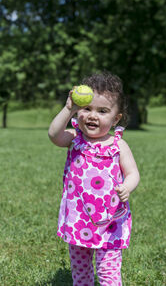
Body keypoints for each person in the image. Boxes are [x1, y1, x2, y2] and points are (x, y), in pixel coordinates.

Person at [48, 72, 140, 285]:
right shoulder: (74, 138)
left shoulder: (118, 145)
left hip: (110, 221)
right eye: (86, 109)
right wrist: (68, 108)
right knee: (81, 273)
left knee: (108, 272)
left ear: (116, 118)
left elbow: (133, 173)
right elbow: (54, 135)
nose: (92, 116)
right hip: (79, 220)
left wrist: (127, 186)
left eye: (102, 111)